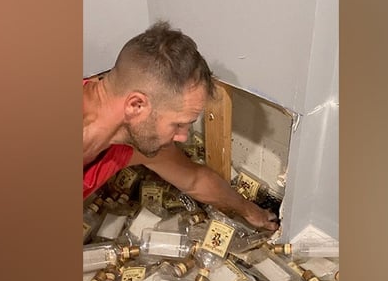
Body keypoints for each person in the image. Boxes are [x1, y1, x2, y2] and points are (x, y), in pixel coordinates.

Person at [83, 21, 279, 231]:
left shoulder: (131, 139)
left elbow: (194, 179)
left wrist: (251, 212)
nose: (183, 136)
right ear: (136, 105)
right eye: (178, 124)